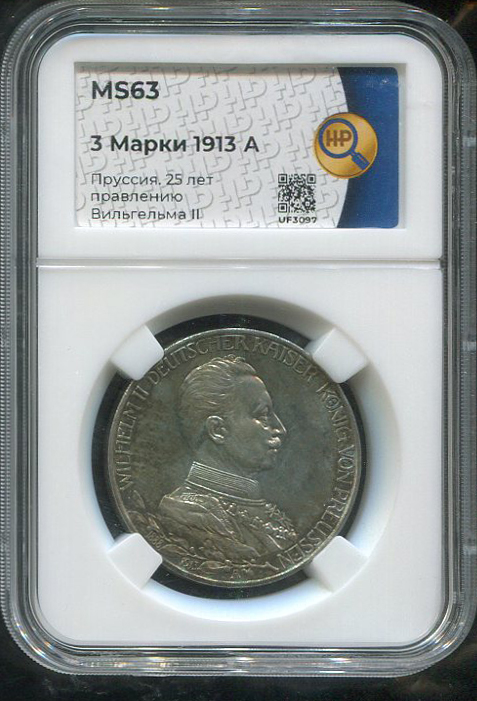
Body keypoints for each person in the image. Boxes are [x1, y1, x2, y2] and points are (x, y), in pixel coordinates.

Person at [156, 355, 297, 579]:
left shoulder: (265, 511)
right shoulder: (185, 512)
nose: (280, 428)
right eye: (262, 415)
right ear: (218, 430)